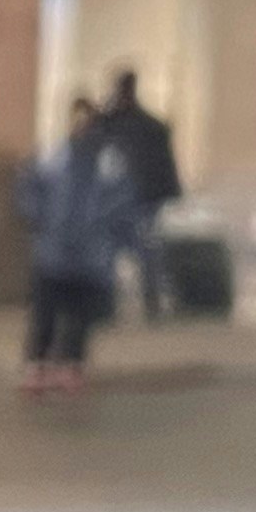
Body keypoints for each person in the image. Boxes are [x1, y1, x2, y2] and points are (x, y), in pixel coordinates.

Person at [15, 94, 141, 392]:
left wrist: (115, 241)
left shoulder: (108, 165)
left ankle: (70, 364)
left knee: (78, 315)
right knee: (46, 312)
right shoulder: (55, 159)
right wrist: (38, 219)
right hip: (56, 251)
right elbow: (31, 189)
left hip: (88, 254)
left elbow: (122, 207)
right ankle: (39, 364)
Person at [91, 67, 183, 321]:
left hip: (133, 203)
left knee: (132, 254)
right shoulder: (143, 125)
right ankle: (143, 305)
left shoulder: (115, 124)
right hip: (130, 203)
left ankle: (122, 306)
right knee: (140, 254)